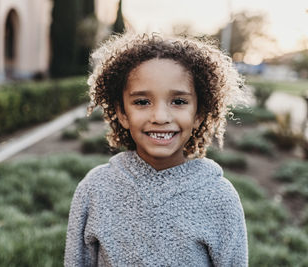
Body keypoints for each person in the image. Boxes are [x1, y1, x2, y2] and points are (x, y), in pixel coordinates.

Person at [64, 32, 248, 266]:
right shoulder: (94, 189)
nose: (160, 117)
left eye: (179, 102)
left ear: (199, 113)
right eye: (142, 102)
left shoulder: (220, 198)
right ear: (122, 113)